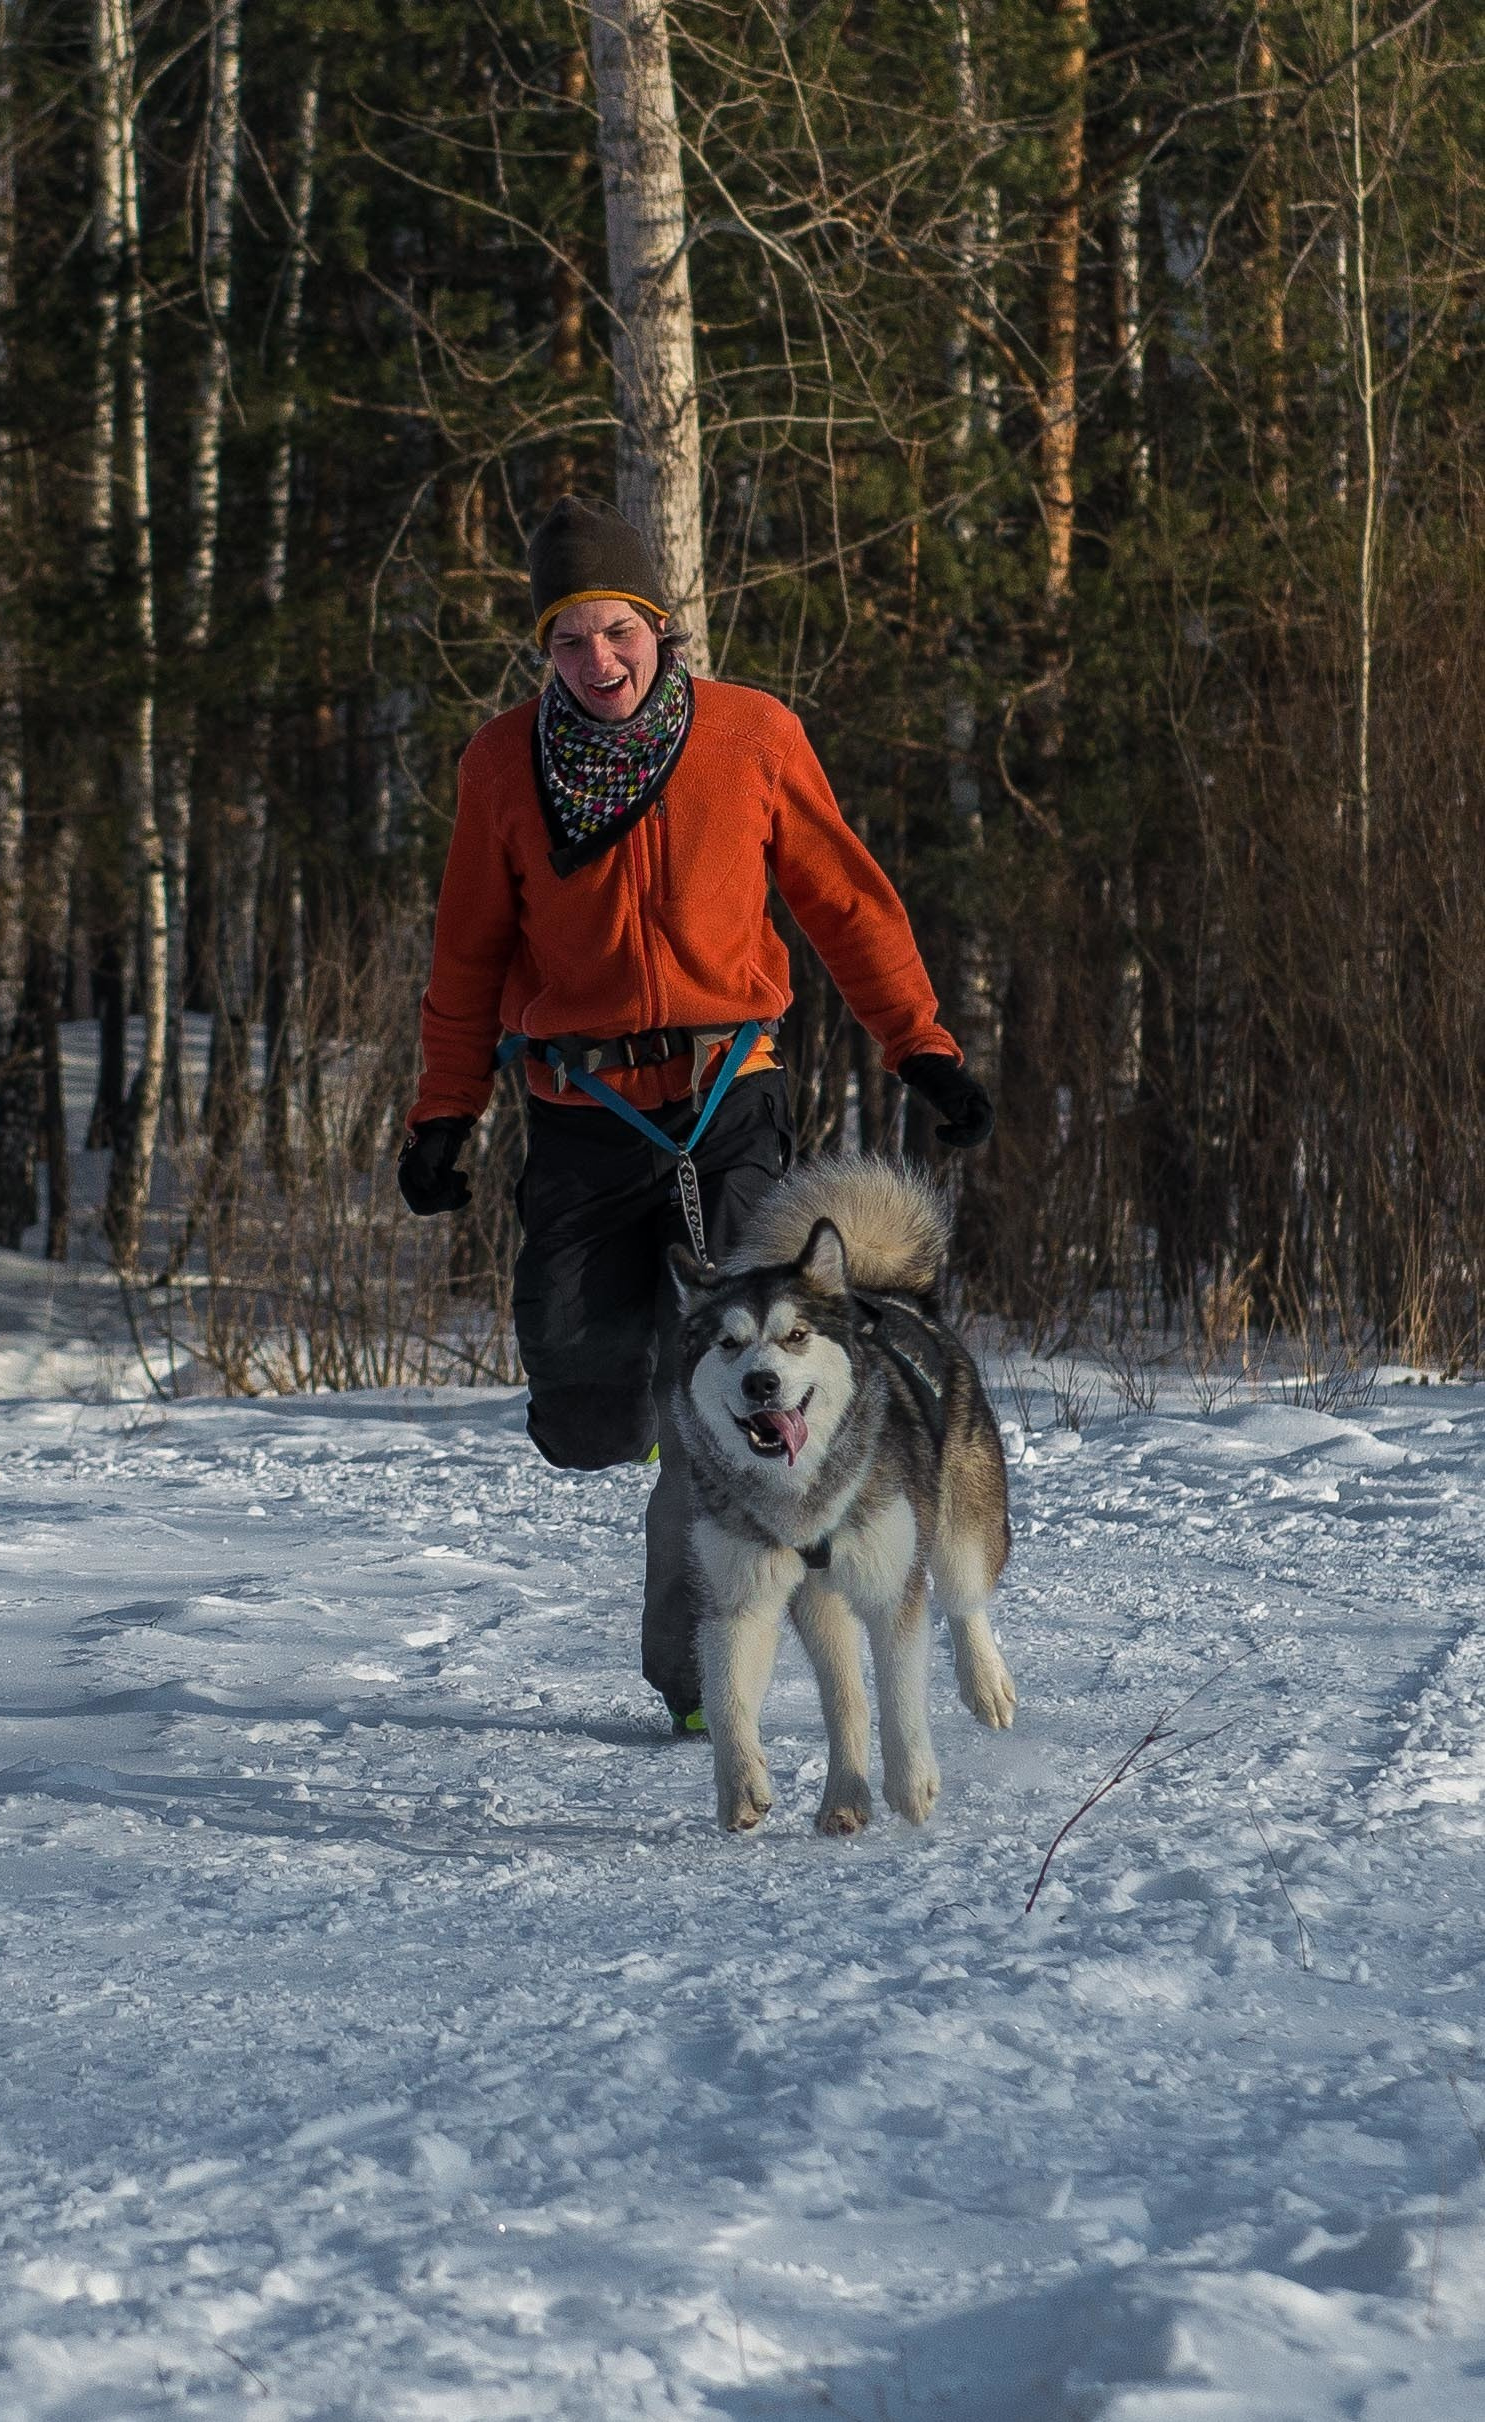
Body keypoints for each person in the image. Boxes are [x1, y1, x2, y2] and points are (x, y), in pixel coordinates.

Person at [397, 495, 991, 1735]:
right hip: (582, 1110)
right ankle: (682, 1434)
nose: (598, 663)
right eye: (568, 643)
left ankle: (693, 1675)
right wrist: (443, 1112)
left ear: (658, 627)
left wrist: (920, 1045)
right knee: (576, 1398)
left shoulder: (749, 735)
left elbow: (845, 901)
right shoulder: (502, 764)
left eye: (616, 633)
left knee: (713, 1392)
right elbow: (466, 955)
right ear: (542, 652)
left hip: (728, 1101)